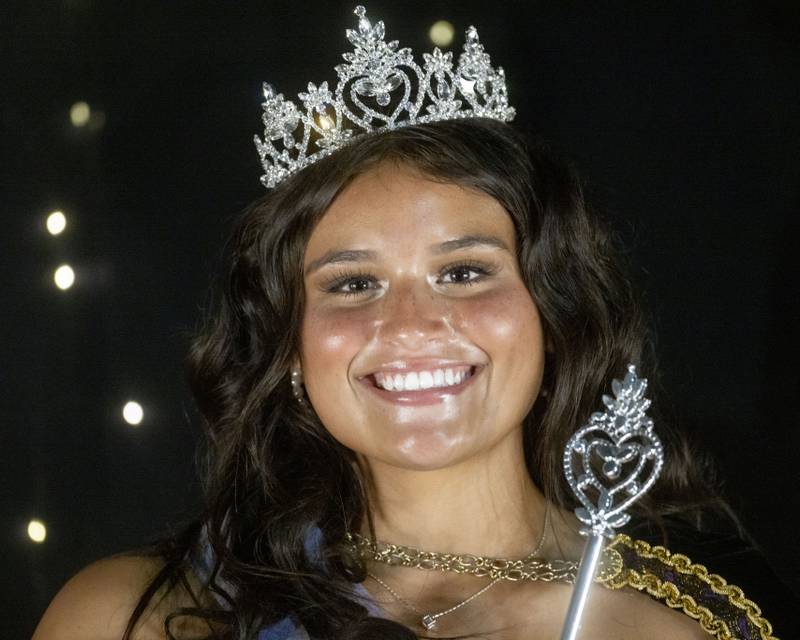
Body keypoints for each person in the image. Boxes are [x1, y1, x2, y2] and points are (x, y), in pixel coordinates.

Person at [32, 6, 797, 640]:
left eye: (464, 273)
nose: (410, 323)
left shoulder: (696, 621)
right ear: (291, 348)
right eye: (353, 283)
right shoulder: (132, 618)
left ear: (551, 313)